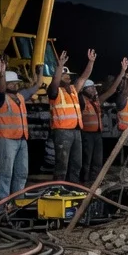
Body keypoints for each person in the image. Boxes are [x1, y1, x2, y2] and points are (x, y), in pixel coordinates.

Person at [0, 58, 41, 201]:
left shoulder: (20, 96)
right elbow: (0, 89)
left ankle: (18, 202)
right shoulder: (0, 98)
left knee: (21, 173)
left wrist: (40, 74)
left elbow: (34, 88)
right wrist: (1, 74)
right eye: (11, 83)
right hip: (7, 140)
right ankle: (3, 204)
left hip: (21, 139)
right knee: (6, 173)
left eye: (15, 83)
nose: (14, 85)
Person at [47, 49, 95, 183]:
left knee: (76, 164)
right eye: (65, 75)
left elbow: (84, 77)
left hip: (75, 131)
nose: (68, 77)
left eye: (68, 75)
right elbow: (54, 82)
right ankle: (58, 189)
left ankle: (72, 188)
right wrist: (60, 66)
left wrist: (90, 62)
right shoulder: (54, 92)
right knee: (61, 165)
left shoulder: (73, 90)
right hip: (62, 132)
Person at [79, 57, 127, 184]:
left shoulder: (96, 101)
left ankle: (95, 181)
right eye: (91, 88)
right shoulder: (81, 102)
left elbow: (112, 90)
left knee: (97, 160)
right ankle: (84, 182)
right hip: (86, 135)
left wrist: (122, 72)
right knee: (87, 160)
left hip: (97, 134)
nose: (94, 90)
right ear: (84, 90)